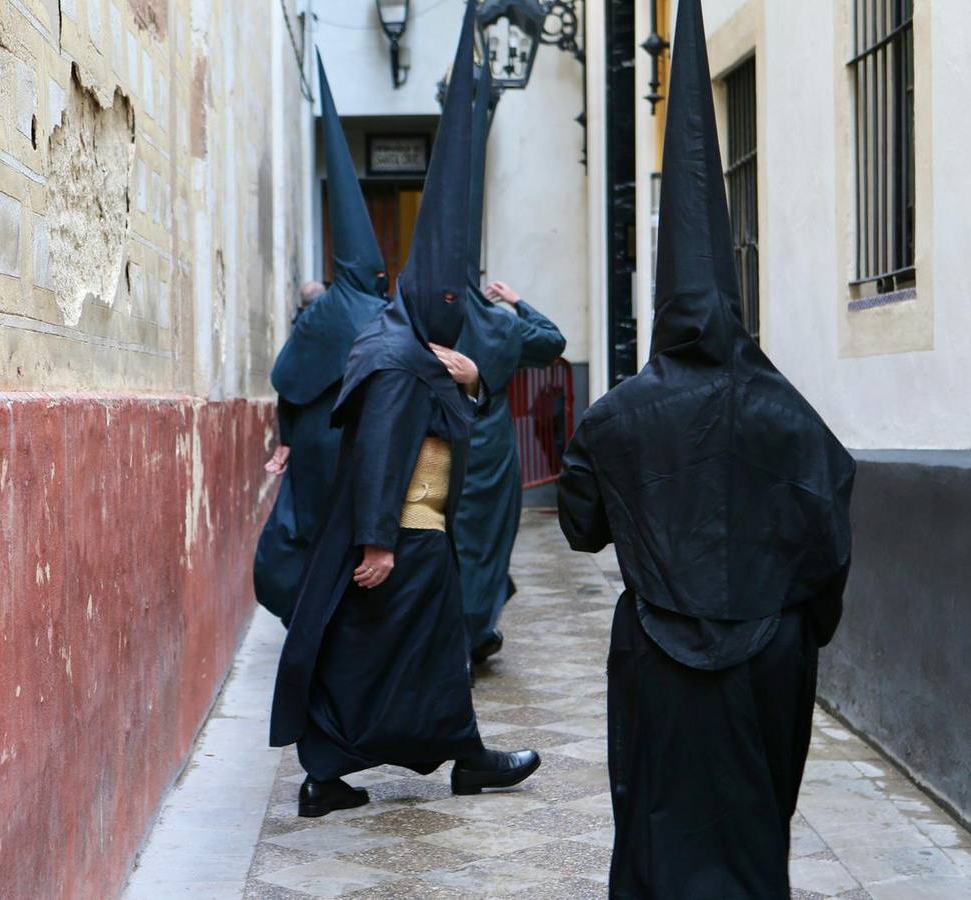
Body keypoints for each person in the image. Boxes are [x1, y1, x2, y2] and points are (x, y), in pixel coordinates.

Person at [555, 1, 856, 896]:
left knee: (656, 821)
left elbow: (579, 529)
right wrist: (798, 625)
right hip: (767, 655)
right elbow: (828, 543)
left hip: (655, 653)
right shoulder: (788, 414)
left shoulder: (615, 417)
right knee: (754, 821)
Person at [270, 2, 540, 819]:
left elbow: (442, 414)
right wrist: (382, 542)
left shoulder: (411, 346)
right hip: (404, 533)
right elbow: (386, 440)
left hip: (407, 531)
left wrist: (468, 384)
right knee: (417, 652)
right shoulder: (395, 356)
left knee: (403, 654)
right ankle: (452, 757)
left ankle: (357, 769)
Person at [252, 61, 390, 626]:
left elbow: (289, 375)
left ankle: (305, 617)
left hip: (312, 443)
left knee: (305, 534)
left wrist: (287, 437)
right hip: (355, 448)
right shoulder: (384, 313)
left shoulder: (324, 309)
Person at [455, 59, 566, 667]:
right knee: (485, 543)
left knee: (459, 546)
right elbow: (551, 339)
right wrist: (519, 301)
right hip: (490, 453)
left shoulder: (410, 323)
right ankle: (472, 634)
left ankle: (470, 630)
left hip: (438, 456)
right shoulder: (499, 323)